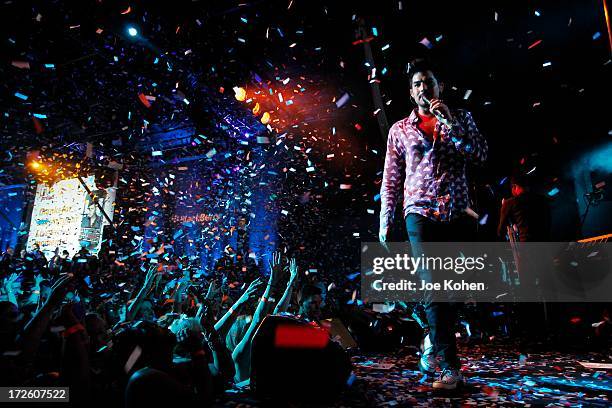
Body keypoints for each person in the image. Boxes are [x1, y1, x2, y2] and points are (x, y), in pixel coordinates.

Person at [379, 58, 487, 390]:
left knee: (453, 290)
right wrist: (385, 220)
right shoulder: (399, 130)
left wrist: (451, 123)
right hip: (419, 213)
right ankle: (449, 367)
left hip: (455, 212)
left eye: (429, 82)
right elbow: (391, 179)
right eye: (417, 84)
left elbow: (480, 155)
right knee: (433, 287)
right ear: (411, 94)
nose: (424, 88)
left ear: (439, 87)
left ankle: (432, 344)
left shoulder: (462, 119)